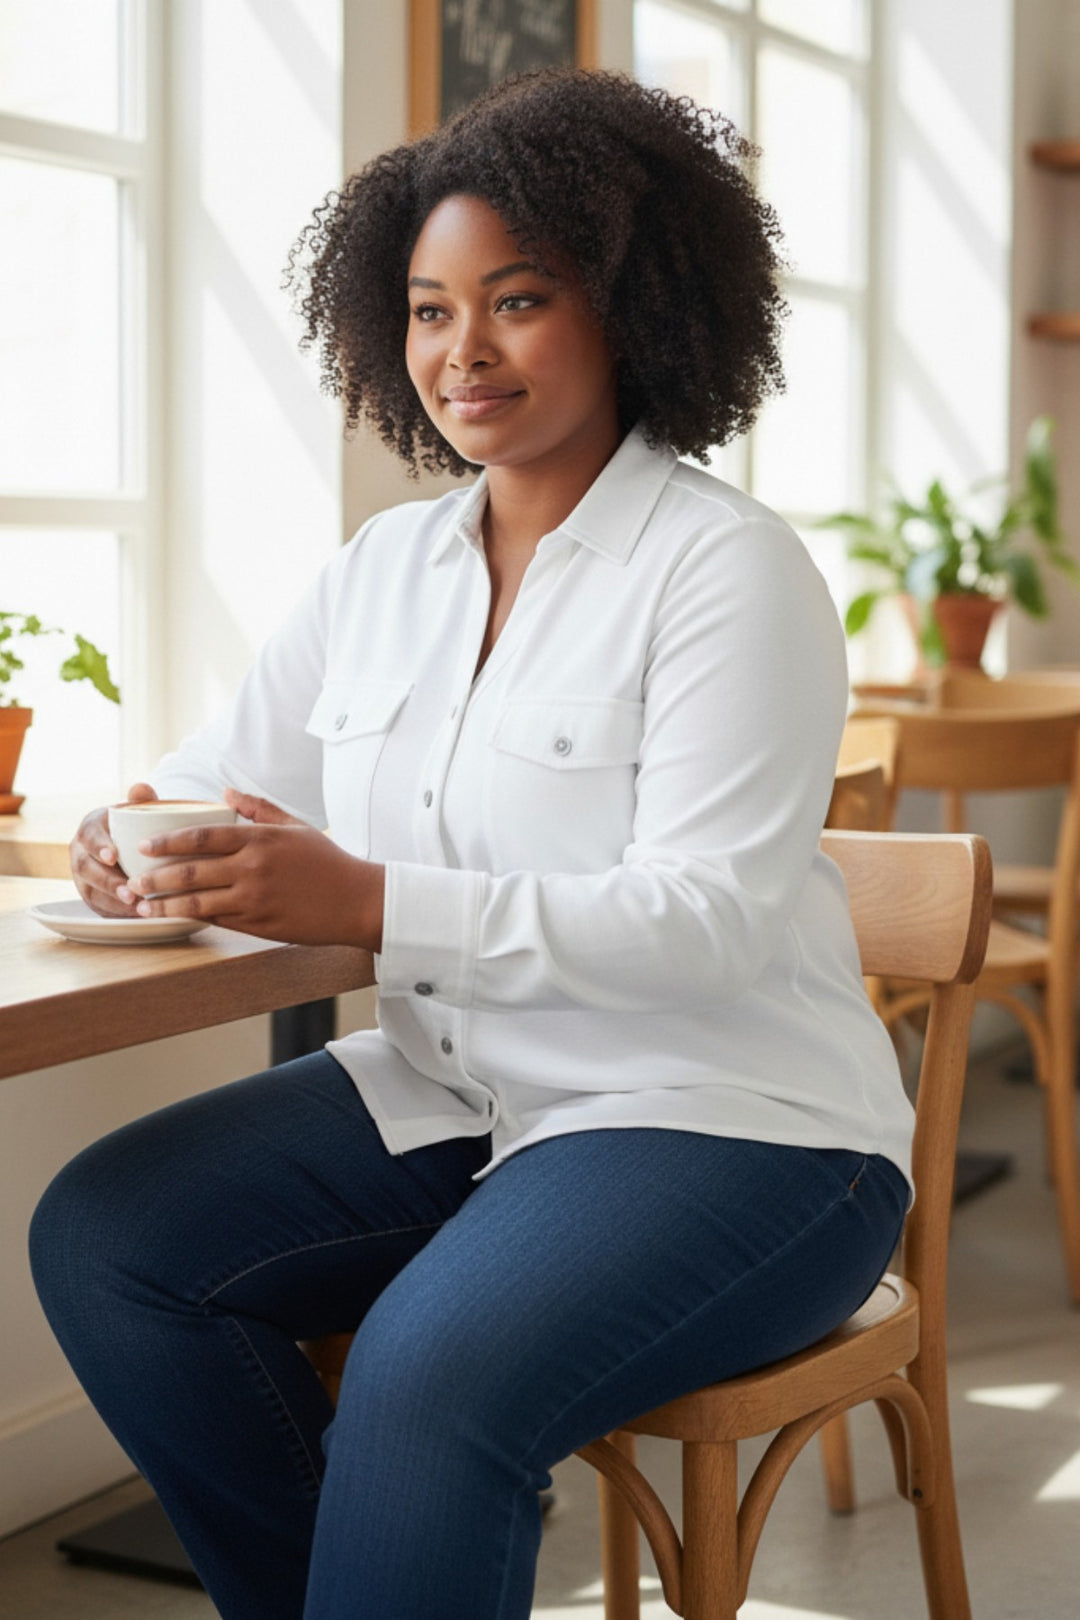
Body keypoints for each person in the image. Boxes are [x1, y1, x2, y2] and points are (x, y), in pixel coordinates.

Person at [30, 68, 911, 1620]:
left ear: (632, 308)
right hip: (463, 1094)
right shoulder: (385, 569)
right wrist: (124, 836)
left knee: (432, 1378)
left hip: (733, 1122)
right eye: (430, 310)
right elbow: (218, 775)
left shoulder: (729, 573)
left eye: (517, 300)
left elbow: (702, 919)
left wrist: (374, 903)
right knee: (112, 1237)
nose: (463, 352)